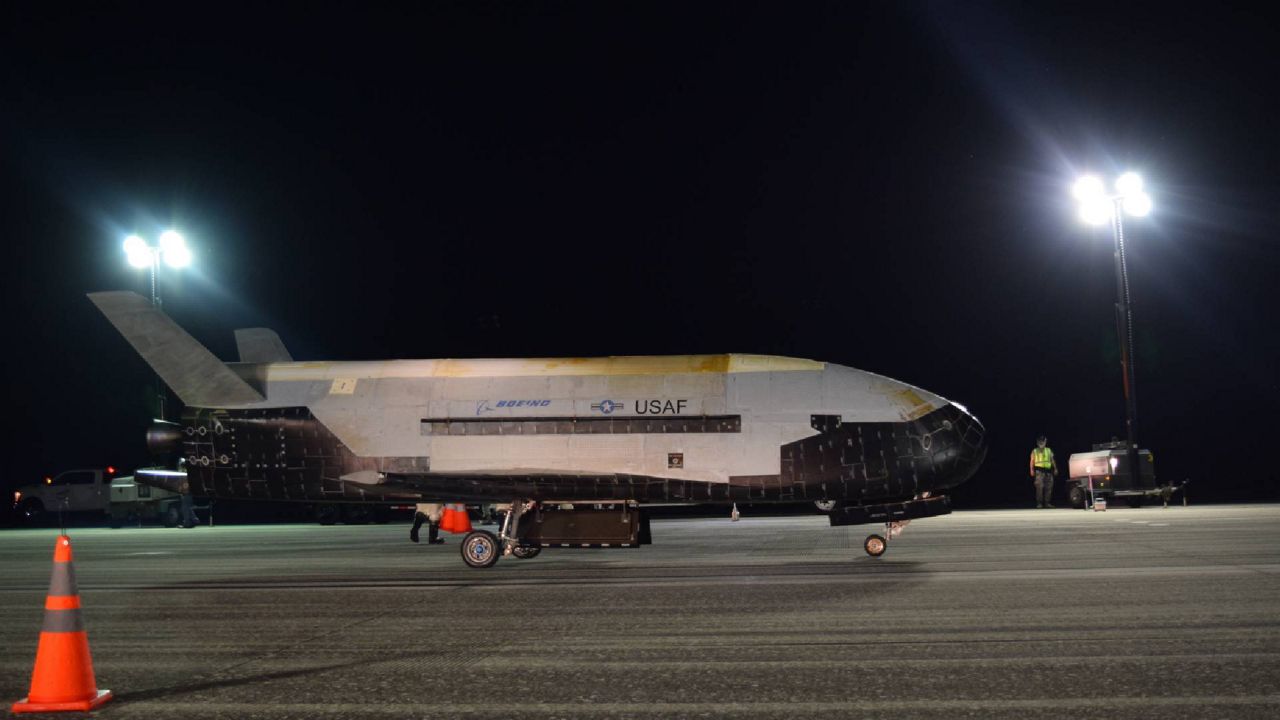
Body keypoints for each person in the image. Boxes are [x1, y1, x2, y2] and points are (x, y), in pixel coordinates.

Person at [1029, 435, 1058, 508]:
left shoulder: (1048, 450)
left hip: (1048, 471)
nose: (1041, 442)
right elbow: (1032, 461)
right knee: (1039, 487)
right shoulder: (1034, 451)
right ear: (1037, 442)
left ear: (1045, 441)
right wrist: (1031, 470)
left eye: (1043, 441)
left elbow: (1052, 460)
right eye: (1039, 441)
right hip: (1039, 471)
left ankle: (1047, 503)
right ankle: (1039, 503)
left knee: (1049, 487)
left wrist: (1055, 468)